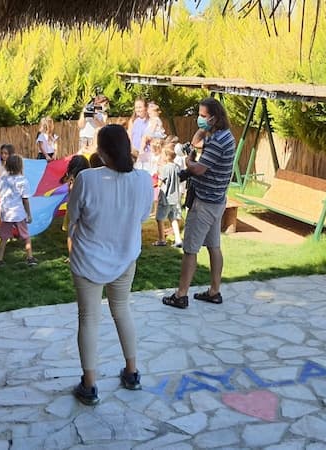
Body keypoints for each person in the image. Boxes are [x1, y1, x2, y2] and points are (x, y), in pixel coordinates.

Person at [67, 125, 152, 405]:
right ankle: (132, 372)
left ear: (102, 152)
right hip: (125, 256)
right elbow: (143, 217)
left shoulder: (86, 179)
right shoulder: (143, 180)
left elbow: (73, 217)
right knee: (122, 310)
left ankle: (89, 385)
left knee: (88, 318)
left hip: (88, 259)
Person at [161, 98, 236, 309]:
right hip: (217, 201)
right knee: (214, 246)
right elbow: (195, 143)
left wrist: (189, 162)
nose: (199, 119)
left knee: (190, 249)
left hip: (204, 203)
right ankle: (214, 291)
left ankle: (181, 295)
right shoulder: (224, 135)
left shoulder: (218, 141)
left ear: (215, 117)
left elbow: (199, 169)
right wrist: (203, 129)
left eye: (203, 116)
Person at [0, 155, 36, 266]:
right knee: (26, 236)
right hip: (18, 213)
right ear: (20, 166)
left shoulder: (3, 179)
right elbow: (25, 199)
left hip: (6, 213)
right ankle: (30, 258)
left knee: (3, 237)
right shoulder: (22, 181)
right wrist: (28, 214)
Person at [154, 144, 183, 248]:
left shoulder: (166, 168)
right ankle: (178, 239)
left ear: (166, 156)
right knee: (173, 219)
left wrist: (155, 183)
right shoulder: (177, 167)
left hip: (165, 199)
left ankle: (162, 239)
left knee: (159, 218)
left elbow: (160, 182)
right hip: (175, 198)